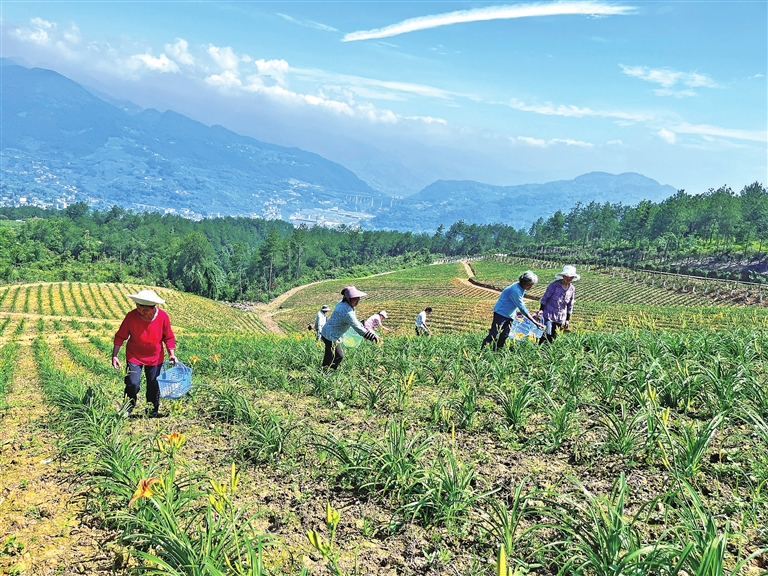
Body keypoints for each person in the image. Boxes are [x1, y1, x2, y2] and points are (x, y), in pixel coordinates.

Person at [112, 289, 177, 417]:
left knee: (153, 384)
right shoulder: (131, 316)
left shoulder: (163, 317)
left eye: (145, 310)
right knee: (132, 382)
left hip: (155, 357)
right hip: (134, 355)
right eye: (138, 308)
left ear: (154, 308)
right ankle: (128, 407)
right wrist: (114, 355)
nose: (141, 312)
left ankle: (152, 410)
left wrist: (172, 354)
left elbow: (168, 337)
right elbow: (120, 336)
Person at [481, 271, 544, 351]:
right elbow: (522, 307)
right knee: (494, 334)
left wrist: (517, 312)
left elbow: (516, 303)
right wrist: (534, 322)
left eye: (532, 285)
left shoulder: (521, 287)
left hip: (510, 315)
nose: (530, 287)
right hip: (501, 313)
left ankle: (496, 352)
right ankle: (482, 351)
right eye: (529, 285)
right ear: (523, 282)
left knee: (504, 335)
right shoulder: (515, 290)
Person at [320, 286, 380, 370]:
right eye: (355, 298)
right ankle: (329, 373)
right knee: (339, 356)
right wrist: (372, 337)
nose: (358, 300)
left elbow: (354, 321)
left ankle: (324, 371)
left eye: (358, 298)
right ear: (348, 298)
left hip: (328, 332)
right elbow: (357, 327)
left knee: (330, 354)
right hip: (331, 336)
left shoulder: (342, 303)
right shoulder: (347, 311)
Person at [539, 264, 578, 344]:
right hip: (548, 315)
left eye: (570, 277)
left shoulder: (572, 289)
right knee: (546, 336)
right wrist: (541, 310)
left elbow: (570, 305)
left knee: (554, 337)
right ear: (563, 276)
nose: (567, 278)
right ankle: (539, 352)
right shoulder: (554, 285)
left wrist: (567, 320)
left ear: (573, 278)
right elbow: (545, 298)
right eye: (566, 276)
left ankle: (548, 354)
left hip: (560, 317)